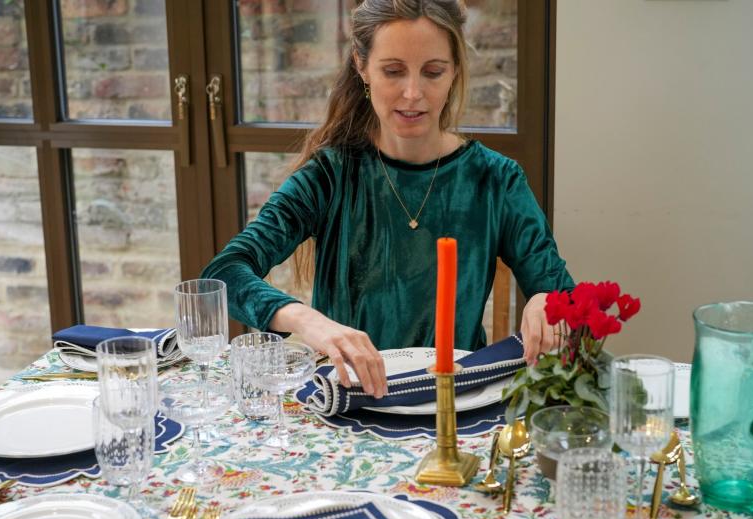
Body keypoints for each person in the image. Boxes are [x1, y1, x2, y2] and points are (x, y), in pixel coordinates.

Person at [202, 0, 574, 400]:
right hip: (348, 400)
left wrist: (547, 301)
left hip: (456, 403)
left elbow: (566, 300)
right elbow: (223, 273)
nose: (413, 94)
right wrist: (307, 321)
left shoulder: (495, 180)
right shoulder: (330, 175)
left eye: (433, 72)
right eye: (393, 71)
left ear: (455, 73)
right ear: (362, 67)